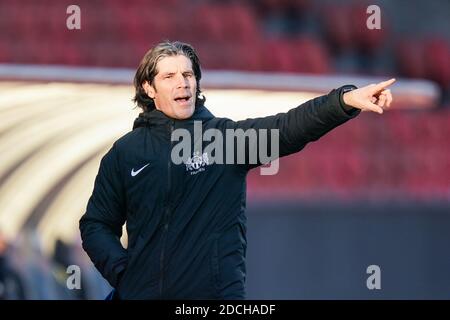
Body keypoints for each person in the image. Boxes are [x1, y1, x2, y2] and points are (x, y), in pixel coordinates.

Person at [79, 41, 394, 300]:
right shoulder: (125, 153)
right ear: (149, 88)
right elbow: (96, 225)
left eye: (188, 74)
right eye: (170, 76)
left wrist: (345, 101)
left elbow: (289, 128)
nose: (183, 82)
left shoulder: (225, 141)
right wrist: (125, 272)